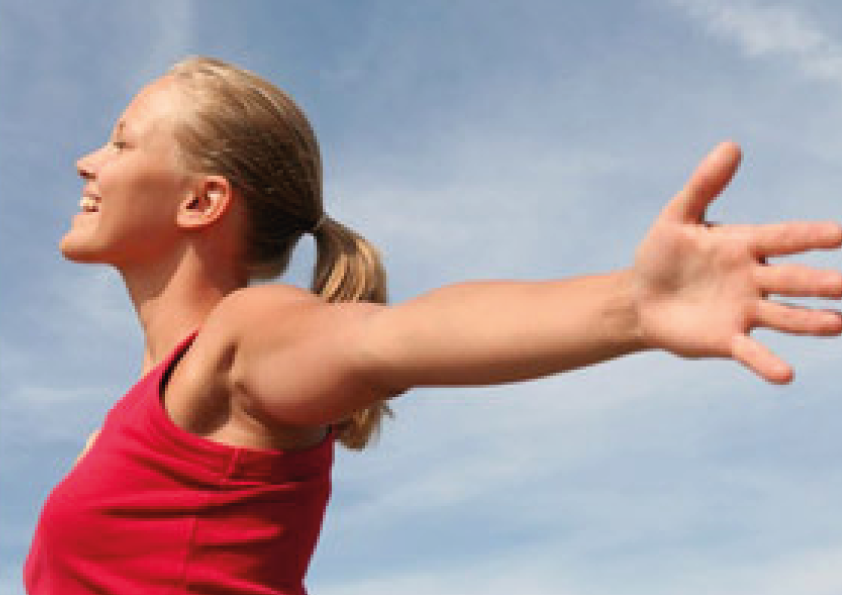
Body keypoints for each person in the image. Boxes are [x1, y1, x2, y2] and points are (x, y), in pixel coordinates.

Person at [24, 56, 842, 595]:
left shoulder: (249, 333)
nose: (87, 161)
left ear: (201, 201)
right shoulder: (131, 419)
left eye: (122, 142)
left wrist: (630, 304)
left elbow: (390, 340)